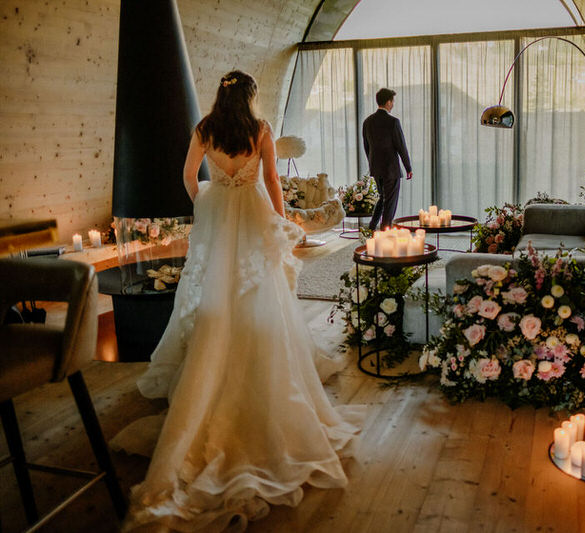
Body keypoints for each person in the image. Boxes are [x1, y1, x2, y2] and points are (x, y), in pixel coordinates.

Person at [113, 71, 365, 532]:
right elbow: (271, 179)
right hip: (251, 214)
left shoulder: (205, 129)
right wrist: (284, 227)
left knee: (215, 290)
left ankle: (212, 365)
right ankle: (254, 361)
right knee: (260, 290)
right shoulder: (259, 130)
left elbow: (189, 175)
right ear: (249, 97)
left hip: (217, 214)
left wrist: (207, 201)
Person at [362, 88, 412, 231]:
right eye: (392, 101)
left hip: (376, 168)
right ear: (388, 102)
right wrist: (408, 168)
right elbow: (401, 147)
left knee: (382, 199)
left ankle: (371, 228)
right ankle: (385, 231)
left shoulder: (367, 122)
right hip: (391, 169)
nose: (393, 104)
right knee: (390, 202)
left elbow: (367, 147)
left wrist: (373, 164)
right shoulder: (393, 122)